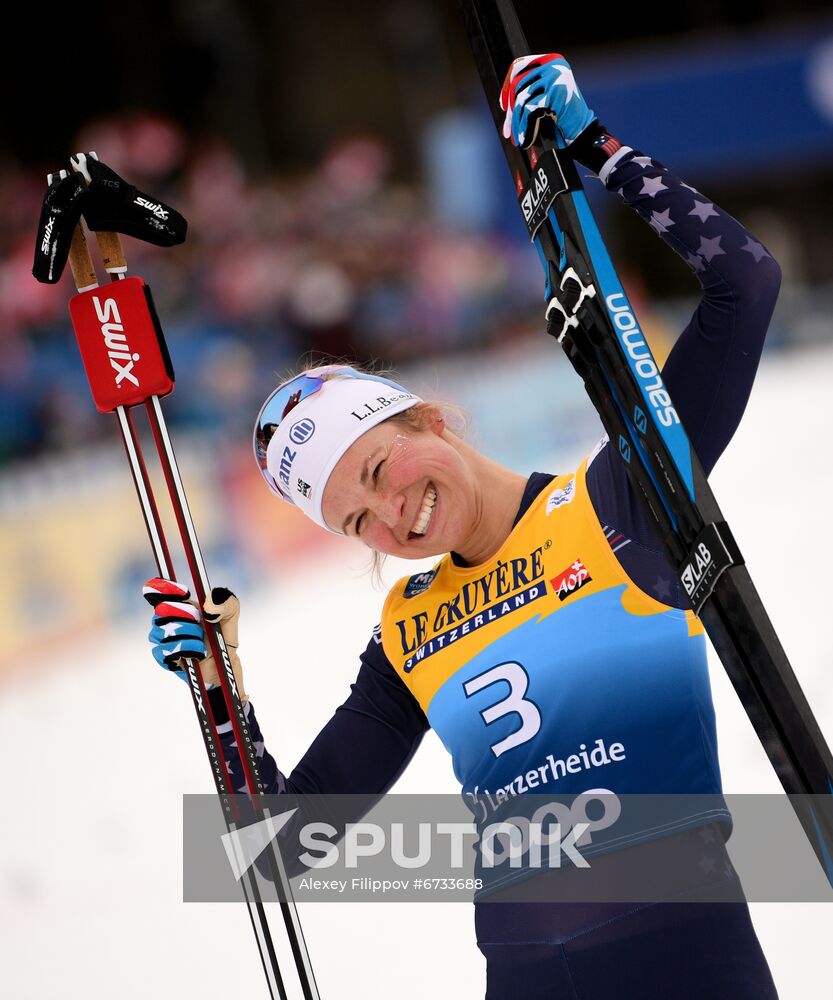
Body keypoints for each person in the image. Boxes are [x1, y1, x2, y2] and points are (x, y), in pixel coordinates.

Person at [145, 55, 782, 998]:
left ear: (426, 416)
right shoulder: (408, 631)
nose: (391, 516)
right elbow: (282, 852)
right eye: (355, 519)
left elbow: (744, 281)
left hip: (690, 967)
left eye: (376, 470)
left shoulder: (620, 498)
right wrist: (218, 685)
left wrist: (594, 147)